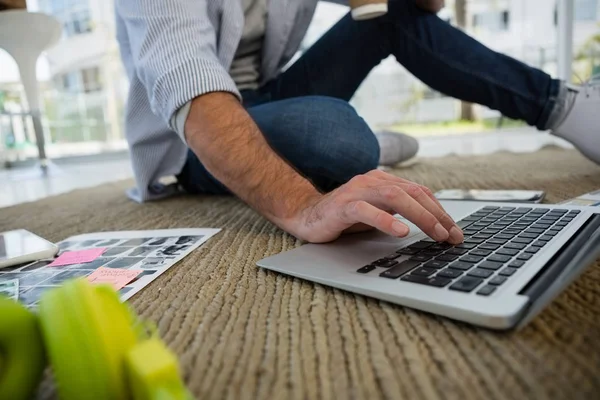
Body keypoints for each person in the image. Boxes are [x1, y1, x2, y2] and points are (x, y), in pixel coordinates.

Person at [115, 0, 599, 244]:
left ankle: (567, 108)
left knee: (387, 15)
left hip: (267, 97)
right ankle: (355, 150)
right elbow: (191, 91)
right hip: (187, 139)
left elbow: (417, 11)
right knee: (332, 133)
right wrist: (305, 206)